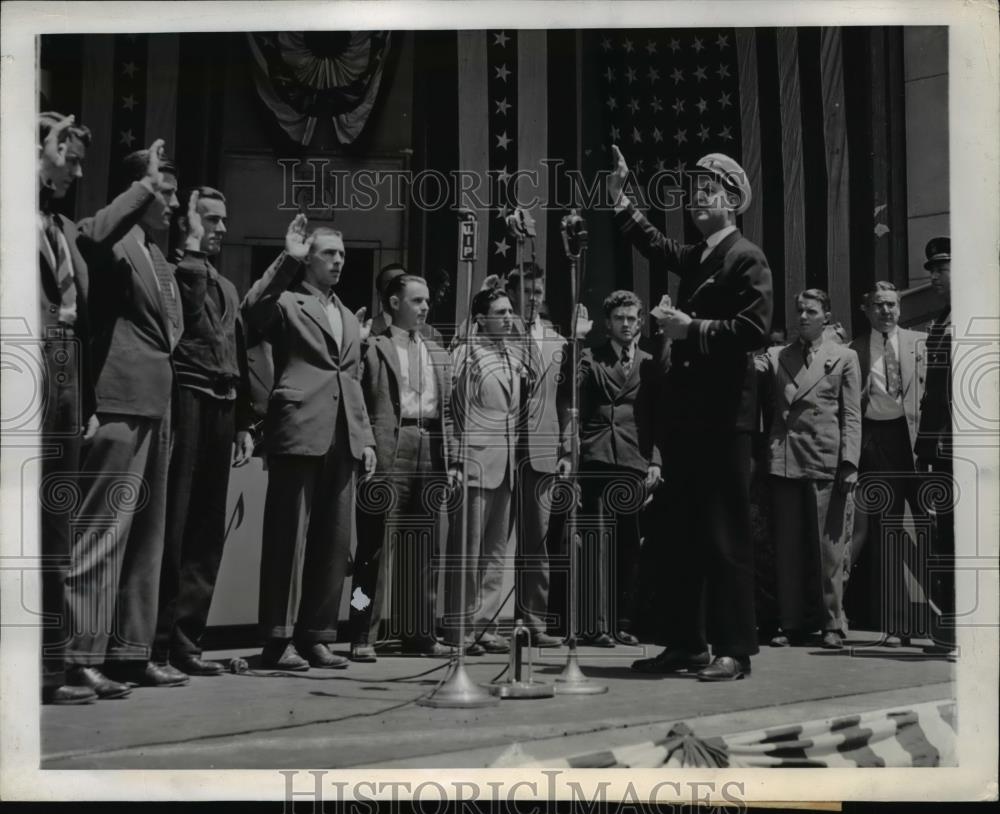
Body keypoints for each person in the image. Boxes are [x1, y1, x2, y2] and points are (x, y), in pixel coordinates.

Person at [610, 146, 773, 681]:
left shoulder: (745, 257)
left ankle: (734, 649)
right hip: (691, 417)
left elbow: (754, 330)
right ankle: (687, 642)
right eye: (695, 190)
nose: (696, 198)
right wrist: (624, 200)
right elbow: (658, 245)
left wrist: (690, 330)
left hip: (725, 418)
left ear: (733, 201)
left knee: (725, 535)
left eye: (709, 190)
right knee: (680, 532)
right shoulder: (706, 254)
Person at [63, 142, 187, 695]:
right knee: (102, 533)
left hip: (157, 404)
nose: (175, 203)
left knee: (146, 540)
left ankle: (130, 652)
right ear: (135, 193)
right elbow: (89, 236)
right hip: (118, 400)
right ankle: (76, 654)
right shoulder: (113, 241)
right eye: (166, 191)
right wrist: (142, 188)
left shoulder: (158, 256)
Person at [241, 215, 376, 671]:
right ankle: (278, 639)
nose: (338, 261)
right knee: (287, 540)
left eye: (342, 254)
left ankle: (317, 634)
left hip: (343, 435)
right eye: (328, 254)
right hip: (299, 428)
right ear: (308, 259)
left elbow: (353, 379)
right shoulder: (290, 301)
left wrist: (366, 436)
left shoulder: (347, 314)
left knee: (333, 543)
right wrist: (287, 259)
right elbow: (253, 310)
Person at [151, 188, 254, 677]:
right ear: (188, 223)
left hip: (223, 406)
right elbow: (187, 315)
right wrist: (191, 250)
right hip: (187, 398)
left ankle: (187, 643)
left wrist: (244, 423)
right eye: (209, 218)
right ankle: (157, 642)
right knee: (177, 524)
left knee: (208, 531)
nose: (221, 228)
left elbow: (239, 349)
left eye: (224, 219)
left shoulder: (227, 286)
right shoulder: (177, 273)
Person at [349, 274, 455, 660]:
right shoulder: (373, 346)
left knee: (424, 546)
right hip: (390, 445)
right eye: (417, 301)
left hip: (429, 444)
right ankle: (361, 631)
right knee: (373, 549)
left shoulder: (435, 350)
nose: (425, 307)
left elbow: (448, 410)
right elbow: (357, 399)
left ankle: (419, 633)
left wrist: (453, 458)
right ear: (394, 303)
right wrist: (366, 443)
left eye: (427, 300)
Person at [756, 289, 862, 650]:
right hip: (785, 458)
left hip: (826, 460)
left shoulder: (845, 357)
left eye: (811, 311)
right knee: (788, 547)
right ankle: (791, 621)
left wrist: (850, 463)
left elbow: (851, 414)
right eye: (799, 310)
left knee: (828, 548)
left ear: (826, 317)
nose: (802, 317)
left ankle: (832, 622)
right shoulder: (776, 355)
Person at [36, 113, 98, 704]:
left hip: (65, 364)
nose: (77, 172)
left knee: (57, 530)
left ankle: (50, 670)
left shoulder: (61, 227)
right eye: (69, 158)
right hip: (27, 361)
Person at [571, 291, 662, 647]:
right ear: (607, 323)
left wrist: (655, 459)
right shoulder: (591, 356)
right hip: (596, 458)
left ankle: (623, 621)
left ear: (640, 322)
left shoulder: (649, 362)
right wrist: (576, 341)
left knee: (628, 545)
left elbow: (657, 417)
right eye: (619, 318)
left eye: (632, 318)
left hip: (632, 460)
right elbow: (573, 391)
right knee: (595, 542)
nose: (626, 324)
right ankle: (595, 624)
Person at [846, 282, 927, 646]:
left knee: (930, 529)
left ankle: (943, 618)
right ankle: (897, 624)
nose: (886, 312)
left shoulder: (920, 343)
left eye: (892, 305)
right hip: (877, 442)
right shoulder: (854, 350)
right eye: (878, 305)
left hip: (916, 443)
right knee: (889, 534)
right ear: (867, 310)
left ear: (901, 308)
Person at [446, 287, 519, 655]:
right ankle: (459, 627)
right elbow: (453, 409)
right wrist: (457, 459)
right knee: (468, 550)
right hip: (475, 461)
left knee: (495, 552)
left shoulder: (511, 356)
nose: (508, 317)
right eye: (500, 312)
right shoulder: (465, 354)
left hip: (505, 465)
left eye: (510, 311)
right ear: (480, 319)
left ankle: (484, 625)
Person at [505, 264, 574, 647]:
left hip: (544, 449)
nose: (532, 299)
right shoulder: (496, 332)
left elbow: (566, 402)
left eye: (537, 292)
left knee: (538, 542)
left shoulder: (556, 342)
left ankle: (534, 622)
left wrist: (567, 448)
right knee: (494, 541)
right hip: (503, 448)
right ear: (512, 293)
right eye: (526, 292)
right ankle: (487, 621)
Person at [914, 237, 955, 656]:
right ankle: (953, 625)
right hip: (943, 451)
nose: (934, 276)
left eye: (941, 269)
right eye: (933, 269)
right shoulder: (943, 319)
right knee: (948, 538)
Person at [369, 262, 444, 343]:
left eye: (402, 282)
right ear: (380, 295)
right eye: (390, 283)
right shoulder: (366, 331)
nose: (397, 287)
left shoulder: (432, 335)